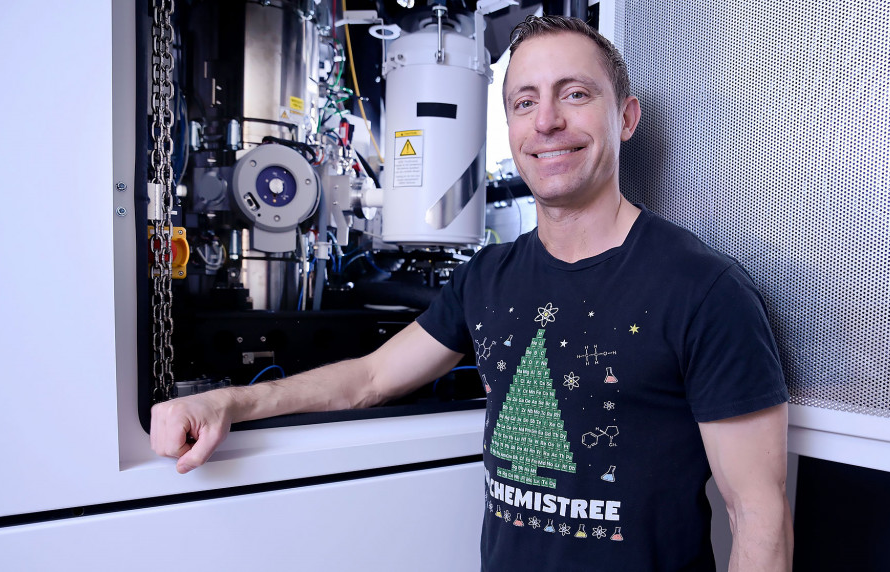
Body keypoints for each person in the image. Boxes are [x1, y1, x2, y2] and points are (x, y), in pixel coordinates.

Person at [152, 15, 793, 571]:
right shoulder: (489, 278)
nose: (547, 121)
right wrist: (230, 402)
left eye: (574, 94)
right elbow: (369, 378)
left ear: (625, 117)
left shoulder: (704, 291)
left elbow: (757, 516)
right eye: (524, 102)